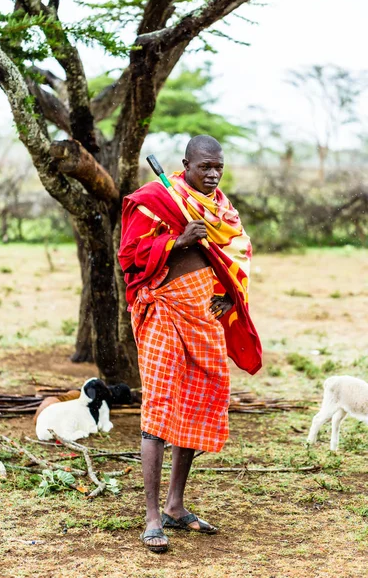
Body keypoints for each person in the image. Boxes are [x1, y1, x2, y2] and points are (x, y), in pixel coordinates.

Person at [118, 135, 262, 553]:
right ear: (185, 165)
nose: (213, 174)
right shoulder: (156, 197)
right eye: (205, 167)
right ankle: (150, 519)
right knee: (160, 406)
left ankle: (175, 507)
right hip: (163, 309)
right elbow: (129, 254)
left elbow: (236, 253)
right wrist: (176, 240)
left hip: (203, 313)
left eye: (219, 166)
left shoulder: (222, 209)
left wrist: (228, 294)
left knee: (199, 403)